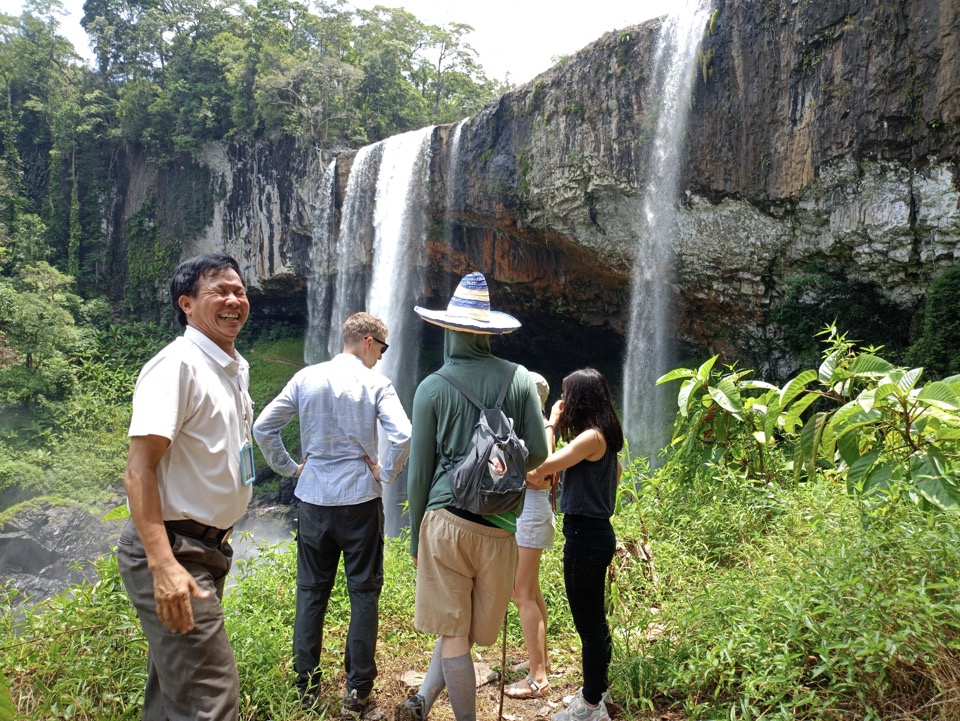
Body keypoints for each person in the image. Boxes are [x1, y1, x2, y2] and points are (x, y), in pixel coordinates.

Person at [396, 272, 549, 721]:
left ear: (449, 329)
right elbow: (539, 453)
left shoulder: (432, 387)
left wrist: (413, 539)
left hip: (445, 521)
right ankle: (426, 702)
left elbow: (419, 471)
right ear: (487, 332)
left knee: (454, 632)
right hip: (501, 527)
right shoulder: (519, 380)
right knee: (471, 631)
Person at [252, 312, 411, 717]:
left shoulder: (306, 378)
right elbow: (403, 434)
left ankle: (305, 692)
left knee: (310, 593)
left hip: (314, 501)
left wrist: (292, 467)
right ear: (370, 342)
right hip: (359, 501)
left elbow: (263, 428)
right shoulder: (376, 383)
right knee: (363, 594)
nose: (381, 357)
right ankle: (357, 695)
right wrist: (387, 471)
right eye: (382, 349)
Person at [117, 253, 253, 721]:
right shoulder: (178, 365)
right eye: (220, 291)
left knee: (174, 693)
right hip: (177, 552)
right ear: (187, 304)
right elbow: (139, 471)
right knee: (211, 699)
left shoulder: (233, 367)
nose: (234, 299)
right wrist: (163, 566)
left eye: (239, 290)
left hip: (209, 550)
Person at [525, 368, 624, 721]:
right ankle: (597, 690)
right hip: (595, 535)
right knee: (595, 621)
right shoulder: (604, 438)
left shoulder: (589, 439)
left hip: (585, 539)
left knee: (588, 624)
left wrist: (550, 423)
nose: (563, 403)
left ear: (579, 399)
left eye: (567, 396)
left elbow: (541, 469)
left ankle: (591, 704)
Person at [504, 371, 556, 699]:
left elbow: (541, 477)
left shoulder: (543, 426)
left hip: (531, 512)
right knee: (531, 591)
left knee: (520, 593)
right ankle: (541, 659)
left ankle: (538, 677)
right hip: (527, 512)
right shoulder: (530, 425)